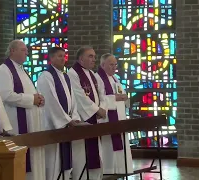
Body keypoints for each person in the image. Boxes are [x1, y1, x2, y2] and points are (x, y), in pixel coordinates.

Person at [0, 39, 45, 180]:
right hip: (16, 122)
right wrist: (32, 99)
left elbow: (29, 92)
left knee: (34, 160)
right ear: (12, 51)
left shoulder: (20, 69)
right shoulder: (4, 70)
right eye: (23, 50)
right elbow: (6, 95)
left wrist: (39, 98)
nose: (27, 53)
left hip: (32, 123)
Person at [37, 47, 81, 180]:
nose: (63, 59)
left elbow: (72, 99)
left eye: (64, 56)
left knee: (65, 161)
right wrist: (66, 120)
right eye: (59, 56)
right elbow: (50, 101)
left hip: (66, 123)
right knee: (54, 161)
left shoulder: (65, 76)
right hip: (53, 124)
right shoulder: (46, 76)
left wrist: (74, 116)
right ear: (51, 59)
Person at [67, 46, 107, 180]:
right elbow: (79, 96)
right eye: (90, 56)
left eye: (94, 57)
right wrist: (96, 110)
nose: (94, 59)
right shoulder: (73, 73)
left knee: (96, 153)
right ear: (80, 58)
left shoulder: (91, 74)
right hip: (84, 119)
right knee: (82, 155)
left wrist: (102, 108)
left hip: (95, 117)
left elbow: (101, 93)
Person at [95, 53, 133, 174]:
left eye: (115, 64)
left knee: (121, 149)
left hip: (120, 118)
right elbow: (99, 98)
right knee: (109, 150)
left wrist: (125, 97)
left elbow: (120, 94)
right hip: (108, 120)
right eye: (111, 64)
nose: (114, 67)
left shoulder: (115, 78)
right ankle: (109, 173)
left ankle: (120, 172)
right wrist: (115, 98)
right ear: (102, 64)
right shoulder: (98, 78)